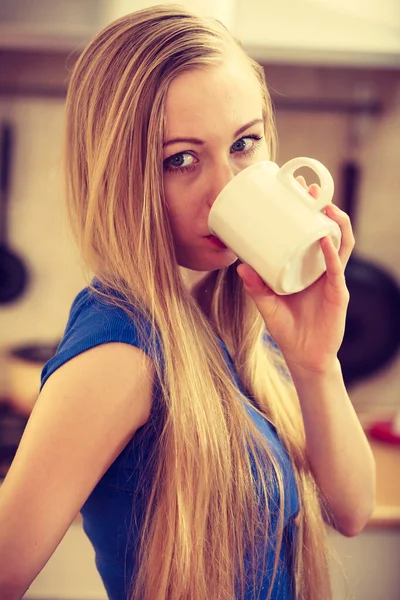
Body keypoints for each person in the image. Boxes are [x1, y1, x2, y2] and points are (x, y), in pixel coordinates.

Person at [0, 5, 376, 600]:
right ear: (121, 174)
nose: (225, 188)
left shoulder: (235, 318)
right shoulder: (121, 350)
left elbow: (352, 511)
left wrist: (316, 362)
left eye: (245, 144)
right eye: (181, 158)